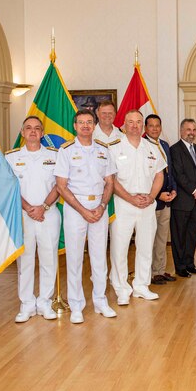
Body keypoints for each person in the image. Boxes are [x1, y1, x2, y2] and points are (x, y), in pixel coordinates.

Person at [54, 109, 116, 324]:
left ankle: (100, 301)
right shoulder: (66, 151)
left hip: (99, 206)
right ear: (75, 126)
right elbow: (61, 187)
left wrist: (101, 205)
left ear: (95, 125)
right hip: (75, 208)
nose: (85, 126)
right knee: (75, 258)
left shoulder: (103, 150)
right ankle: (76, 305)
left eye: (89, 122)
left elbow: (110, 181)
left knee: (100, 257)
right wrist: (83, 210)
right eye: (81, 122)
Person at [5, 116, 61, 323]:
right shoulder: (10, 157)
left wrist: (43, 206)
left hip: (49, 213)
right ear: (22, 132)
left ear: (43, 133)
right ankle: (26, 304)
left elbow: (60, 185)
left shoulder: (56, 155)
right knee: (25, 261)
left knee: (49, 258)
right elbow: (9, 188)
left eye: (37, 128)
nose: (33, 132)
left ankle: (45, 302)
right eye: (28, 128)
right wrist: (29, 208)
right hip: (23, 215)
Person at [108, 110, 166, 304]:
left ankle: (141, 285)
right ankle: (121, 288)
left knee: (145, 246)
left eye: (138, 122)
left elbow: (159, 174)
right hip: (123, 203)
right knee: (120, 247)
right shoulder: (114, 147)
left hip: (147, 205)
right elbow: (111, 179)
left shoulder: (152, 147)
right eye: (130, 122)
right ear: (123, 125)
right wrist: (130, 198)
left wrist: (151, 196)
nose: (135, 126)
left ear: (143, 125)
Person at [170, 119, 196, 278]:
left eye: (193, 129)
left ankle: (190, 264)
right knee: (179, 236)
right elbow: (179, 175)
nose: (191, 133)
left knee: (192, 234)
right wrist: (194, 190)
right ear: (181, 131)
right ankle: (180, 267)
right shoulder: (174, 150)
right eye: (188, 130)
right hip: (182, 202)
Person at [145, 114, 177, 285]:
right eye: (151, 126)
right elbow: (144, 176)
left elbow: (169, 172)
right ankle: (148, 274)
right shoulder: (142, 146)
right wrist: (157, 194)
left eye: (157, 125)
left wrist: (174, 190)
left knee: (162, 238)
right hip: (152, 200)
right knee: (148, 238)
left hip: (167, 200)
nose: (155, 129)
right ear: (145, 128)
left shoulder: (164, 145)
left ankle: (160, 270)